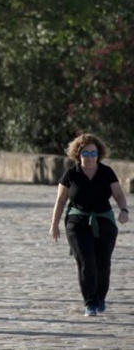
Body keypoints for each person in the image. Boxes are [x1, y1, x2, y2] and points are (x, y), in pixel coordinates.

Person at [49, 133, 129, 317]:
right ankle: (90, 302)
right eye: (86, 153)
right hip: (77, 222)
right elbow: (60, 201)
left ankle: (100, 297)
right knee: (86, 260)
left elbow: (118, 195)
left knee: (103, 263)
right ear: (78, 154)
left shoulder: (106, 172)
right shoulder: (71, 174)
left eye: (93, 154)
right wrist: (54, 224)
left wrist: (124, 210)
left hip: (104, 221)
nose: (90, 158)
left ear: (98, 154)